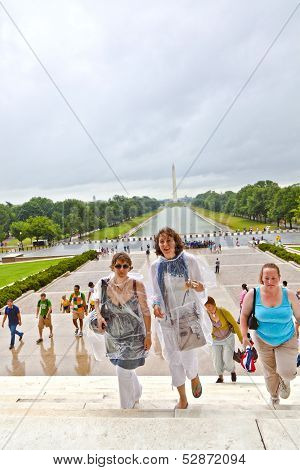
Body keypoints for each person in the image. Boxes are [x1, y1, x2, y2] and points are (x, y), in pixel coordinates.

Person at [151, 227, 212, 410]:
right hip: (167, 319)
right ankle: (183, 398)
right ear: (158, 245)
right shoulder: (156, 266)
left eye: (169, 241)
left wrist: (194, 285)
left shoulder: (189, 260)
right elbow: (155, 293)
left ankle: (193, 375)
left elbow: (202, 288)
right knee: (173, 359)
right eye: (162, 241)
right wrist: (155, 306)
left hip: (186, 316)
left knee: (187, 355)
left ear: (176, 242)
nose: (165, 245)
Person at [94, 252, 151, 409]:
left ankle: (126, 408)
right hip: (114, 335)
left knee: (122, 370)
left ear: (130, 267)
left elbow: (146, 311)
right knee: (124, 367)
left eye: (125, 266)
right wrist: (99, 317)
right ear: (112, 266)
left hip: (134, 335)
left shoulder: (137, 285)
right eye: (118, 265)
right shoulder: (103, 284)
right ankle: (137, 390)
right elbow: (96, 303)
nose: (121, 269)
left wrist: (149, 335)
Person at [240, 263, 300, 408]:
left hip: (287, 338)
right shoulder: (253, 294)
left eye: (273, 278)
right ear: (261, 278)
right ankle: (274, 396)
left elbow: (299, 317)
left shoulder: (289, 295)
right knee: (270, 372)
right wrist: (244, 336)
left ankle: (285, 381)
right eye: (266, 278)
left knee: (288, 373)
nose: (270, 281)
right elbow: (244, 315)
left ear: (279, 278)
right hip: (262, 339)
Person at [205, 296, 242, 383]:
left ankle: (232, 371)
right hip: (215, 340)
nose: (208, 308)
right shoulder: (206, 315)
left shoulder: (223, 311)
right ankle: (220, 377)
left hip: (228, 338)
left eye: (209, 306)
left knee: (227, 359)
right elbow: (204, 327)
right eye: (206, 307)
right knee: (216, 360)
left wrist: (241, 339)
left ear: (214, 305)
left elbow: (235, 325)